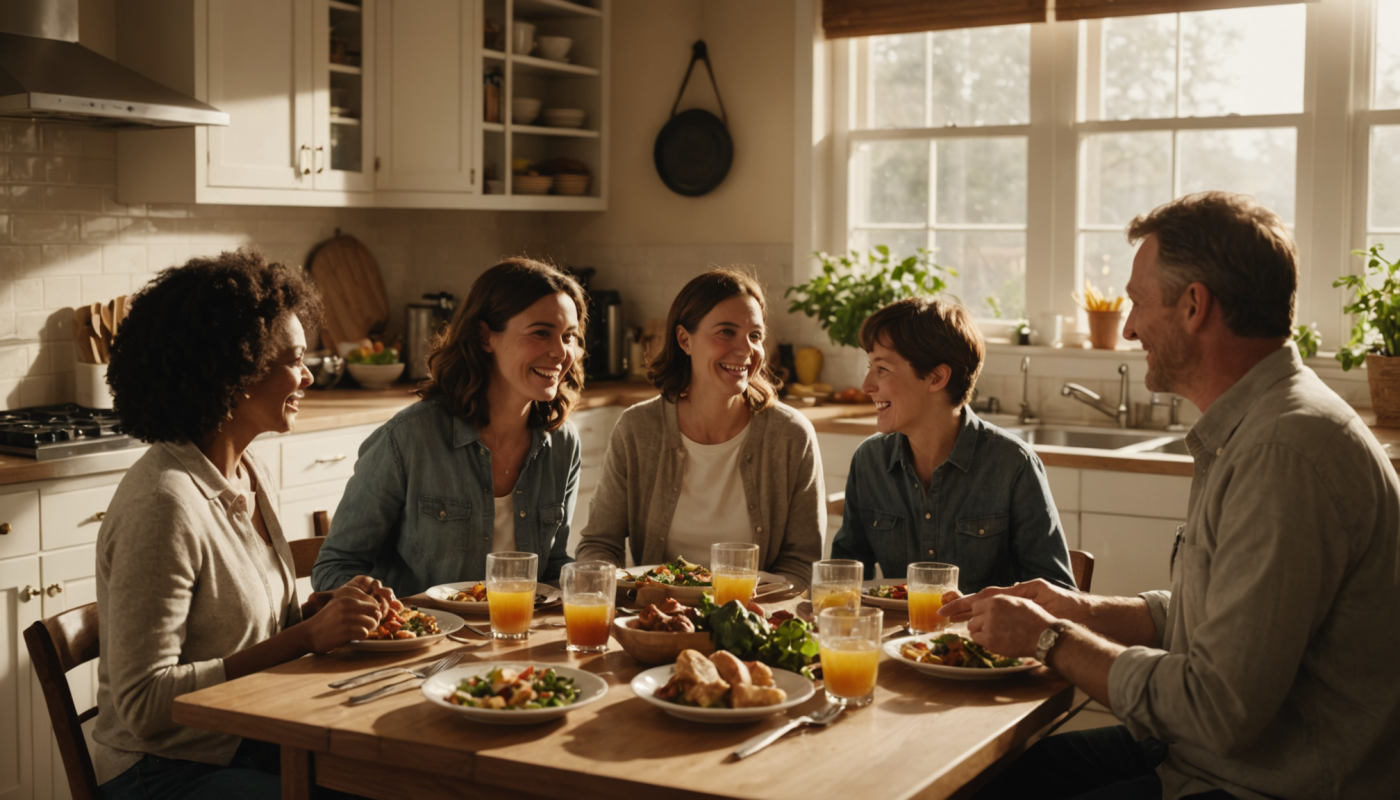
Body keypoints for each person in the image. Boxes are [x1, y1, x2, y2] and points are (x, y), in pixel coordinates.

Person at [943, 192, 1400, 800]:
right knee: (990, 780)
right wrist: (1075, 610)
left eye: (1137, 302)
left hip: (1270, 783)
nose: (1128, 327)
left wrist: (1047, 638)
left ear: (1193, 305)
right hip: (1214, 759)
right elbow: (1214, 613)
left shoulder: (1283, 452)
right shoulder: (1258, 423)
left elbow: (1218, 708)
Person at [96, 250, 397, 799]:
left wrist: (320, 613)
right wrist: (305, 638)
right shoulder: (164, 503)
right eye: (294, 360)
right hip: (166, 770)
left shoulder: (248, 471)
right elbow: (143, 706)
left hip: (249, 735)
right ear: (234, 372)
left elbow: (243, 629)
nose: (307, 375)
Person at [313, 258, 586, 596]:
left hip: (518, 640)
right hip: (425, 642)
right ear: (485, 336)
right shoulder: (409, 438)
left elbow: (553, 567)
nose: (561, 352)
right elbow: (335, 567)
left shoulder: (562, 443)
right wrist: (388, 611)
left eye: (569, 336)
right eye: (541, 333)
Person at [576, 268, 825, 590]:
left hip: (753, 621)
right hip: (659, 619)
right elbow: (600, 544)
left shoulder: (791, 435)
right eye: (726, 332)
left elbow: (802, 563)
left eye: (755, 335)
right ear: (684, 339)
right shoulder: (638, 429)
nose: (746, 349)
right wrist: (612, 588)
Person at [830, 297, 1075, 594]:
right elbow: (843, 583)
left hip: (984, 641)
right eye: (871, 367)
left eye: (882, 369)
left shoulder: (1013, 465)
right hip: (898, 640)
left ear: (937, 377)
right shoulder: (869, 461)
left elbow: (1058, 595)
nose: (867, 385)